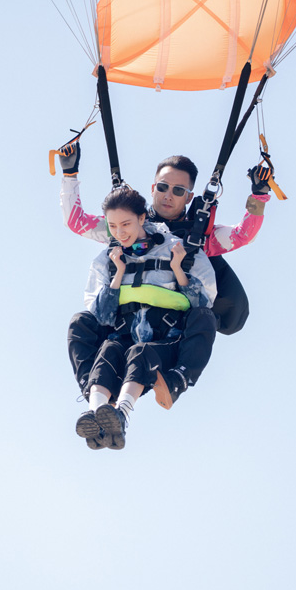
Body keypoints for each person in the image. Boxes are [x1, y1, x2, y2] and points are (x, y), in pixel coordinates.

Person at [60, 145, 270, 408]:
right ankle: (97, 395)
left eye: (178, 191)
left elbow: (243, 235)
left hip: (166, 330)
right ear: (152, 189)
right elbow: (76, 221)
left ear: (189, 197)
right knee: (80, 323)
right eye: (162, 187)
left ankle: (175, 380)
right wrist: (69, 173)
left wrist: (259, 195)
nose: (168, 196)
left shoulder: (197, 239)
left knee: (202, 317)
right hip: (122, 325)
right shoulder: (126, 226)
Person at [76, 185, 217, 450]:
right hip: (123, 337)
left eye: (126, 224)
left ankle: (127, 411)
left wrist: (178, 269)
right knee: (97, 339)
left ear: (142, 218)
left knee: (143, 351)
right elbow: (101, 317)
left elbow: (202, 305)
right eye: (113, 226)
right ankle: (96, 412)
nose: (120, 233)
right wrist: (118, 273)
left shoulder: (178, 249)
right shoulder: (107, 259)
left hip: (164, 343)